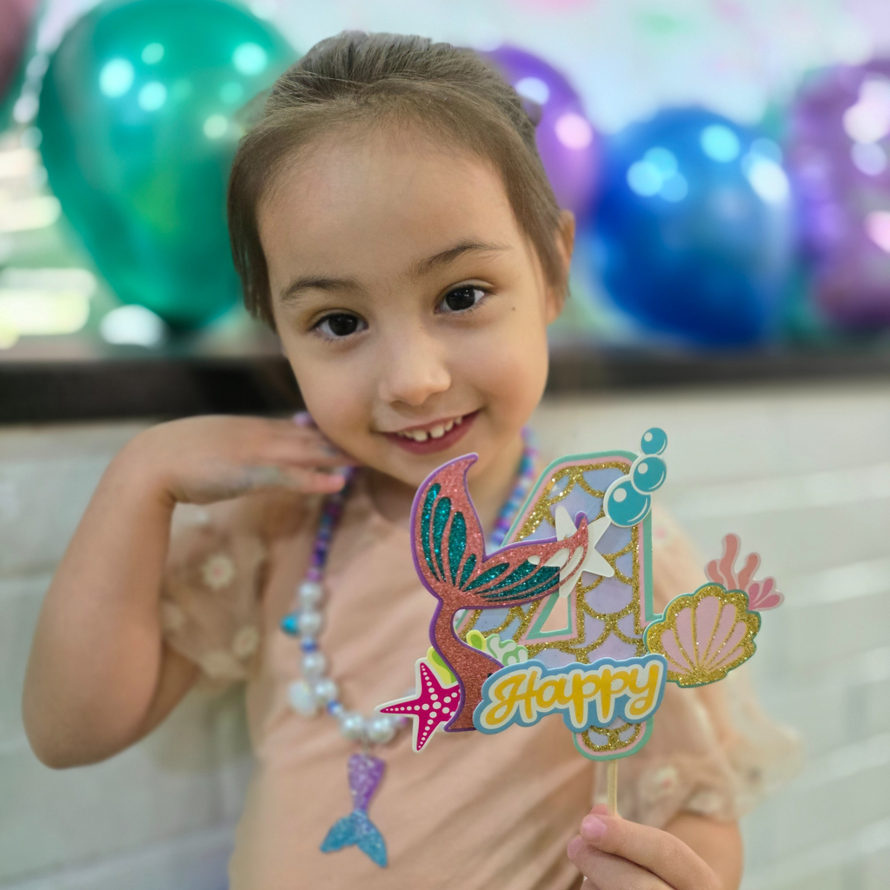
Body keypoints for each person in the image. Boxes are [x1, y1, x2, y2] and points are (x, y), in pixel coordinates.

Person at [22, 32, 794, 889]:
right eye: (339, 323)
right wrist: (140, 480)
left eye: (461, 297)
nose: (413, 380)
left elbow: (695, 803)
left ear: (551, 269)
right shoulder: (282, 521)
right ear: (277, 326)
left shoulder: (609, 557)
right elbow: (72, 730)